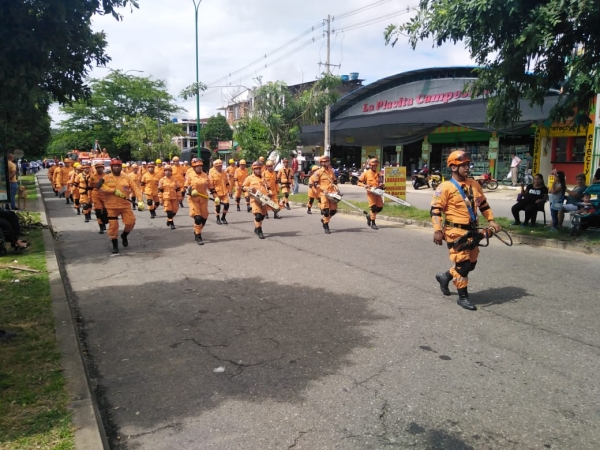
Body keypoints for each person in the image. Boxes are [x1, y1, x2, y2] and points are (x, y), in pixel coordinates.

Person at [431, 150, 501, 311]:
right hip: (455, 232)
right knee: (463, 265)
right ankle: (463, 297)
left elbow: (483, 204)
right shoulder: (445, 187)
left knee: (472, 263)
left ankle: (444, 277)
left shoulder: (474, 184)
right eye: (464, 165)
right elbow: (435, 210)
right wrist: (437, 230)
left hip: (473, 230)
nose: (468, 168)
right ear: (453, 167)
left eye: (468, 164)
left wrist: (491, 220)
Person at [98, 158, 143, 254]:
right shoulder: (106, 177)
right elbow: (99, 186)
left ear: (121, 167)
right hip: (111, 206)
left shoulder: (126, 177)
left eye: (118, 166)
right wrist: (112, 191)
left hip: (125, 205)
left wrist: (140, 201)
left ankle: (124, 235)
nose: (117, 167)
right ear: (111, 167)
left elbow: (135, 188)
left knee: (131, 222)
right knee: (113, 226)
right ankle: (115, 245)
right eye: (115, 166)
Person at [185, 159, 213, 245]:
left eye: (201, 166)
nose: (200, 167)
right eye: (197, 166)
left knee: (204, 217)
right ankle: (198, 236)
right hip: (193, 199)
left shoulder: (205, 175)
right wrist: (190, 191)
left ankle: (197, 230)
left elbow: (210, 187)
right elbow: (186, 187)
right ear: (194, 167)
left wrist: (216, 197)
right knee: (198, 218)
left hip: (203, 199)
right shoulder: (190, 176)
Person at [311, 155, 338, 234]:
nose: (327, 162)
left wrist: (337, 190)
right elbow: (315, 184)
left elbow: (335, 182)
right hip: (323, 193)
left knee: (333, 211)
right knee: (326, 211)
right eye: (325, 161)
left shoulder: (331, 171)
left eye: (328, 161)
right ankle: (326, 225)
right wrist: (323, 189)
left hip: (332, 193)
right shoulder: (318, 172)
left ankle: (324, 220)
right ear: (321, 163)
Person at [243, 161, 269, 239]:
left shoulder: (263, 178)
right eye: (256, 169)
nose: (258, 170)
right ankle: (260, 231)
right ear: (253, 170)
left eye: (259, 168)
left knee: (262, 216)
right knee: (258, 216)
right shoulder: (249, 178)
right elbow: (243, 187)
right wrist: (250, 188)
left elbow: (268, 187)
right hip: (254, 200)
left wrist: (270, 191)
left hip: (264, 200)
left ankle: (256, 227)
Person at [357, 158, 385, 230]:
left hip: (378, 192)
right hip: (370, 193)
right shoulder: (366, 173)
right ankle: (373, 223)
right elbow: (358, 182)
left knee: (380, 208)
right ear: (370, 165)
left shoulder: (379, 174)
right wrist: (364, 185)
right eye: (373, 165)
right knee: (373, 208)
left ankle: (369, 216)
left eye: (376, 165)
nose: (375, 167)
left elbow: (381, 182)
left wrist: (382, 185)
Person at [158, 165, 182, 229]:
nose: (167, 172)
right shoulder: (162, 180)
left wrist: (179, 198)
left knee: (174, 210)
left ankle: (169, 219)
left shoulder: (175, 180)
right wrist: (160, 199)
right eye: (166, 171)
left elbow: (178, 190)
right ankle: (172, 224)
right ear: (164, 172)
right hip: (166, 198)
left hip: (174, 197)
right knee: (169, 211)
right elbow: (160, 191)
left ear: (171, 172)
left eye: (169, 171)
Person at [208, 159, 230, 224]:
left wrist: (229, 190)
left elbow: (227, 182)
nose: (220, 167)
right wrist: (213, 193)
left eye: (221, 165)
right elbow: (210, 184)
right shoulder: (212, 173)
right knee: (218, 206)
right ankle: (218, 218)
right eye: (218, 166)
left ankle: (223, 217)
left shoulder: (224, 172)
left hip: (224, 192)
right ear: (215, 166)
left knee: (226, 205)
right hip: (216, 192)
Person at [89, 161, 108, 233]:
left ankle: (104, 221)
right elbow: (90, 186)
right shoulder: (92, 176)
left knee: (105, 211)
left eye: (101, 167)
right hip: (96, 194)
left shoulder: (107, 176)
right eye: (98, 168)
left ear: (103, 168)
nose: (99, 169)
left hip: (105, 194)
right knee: (98, 211)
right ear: (95, 168)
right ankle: (101, 226)